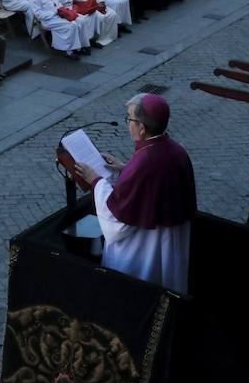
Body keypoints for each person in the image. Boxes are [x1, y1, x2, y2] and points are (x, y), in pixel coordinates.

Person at [75, 94, 197, 293]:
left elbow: (117, 215)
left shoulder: (144, 162)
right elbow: (154, 182)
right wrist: (124, 168)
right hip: (170, 242)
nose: (127, 124)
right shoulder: (176, 150)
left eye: (129, 119)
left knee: (138, 293)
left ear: (142, 127)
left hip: (144, 249)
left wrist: (95, 180)